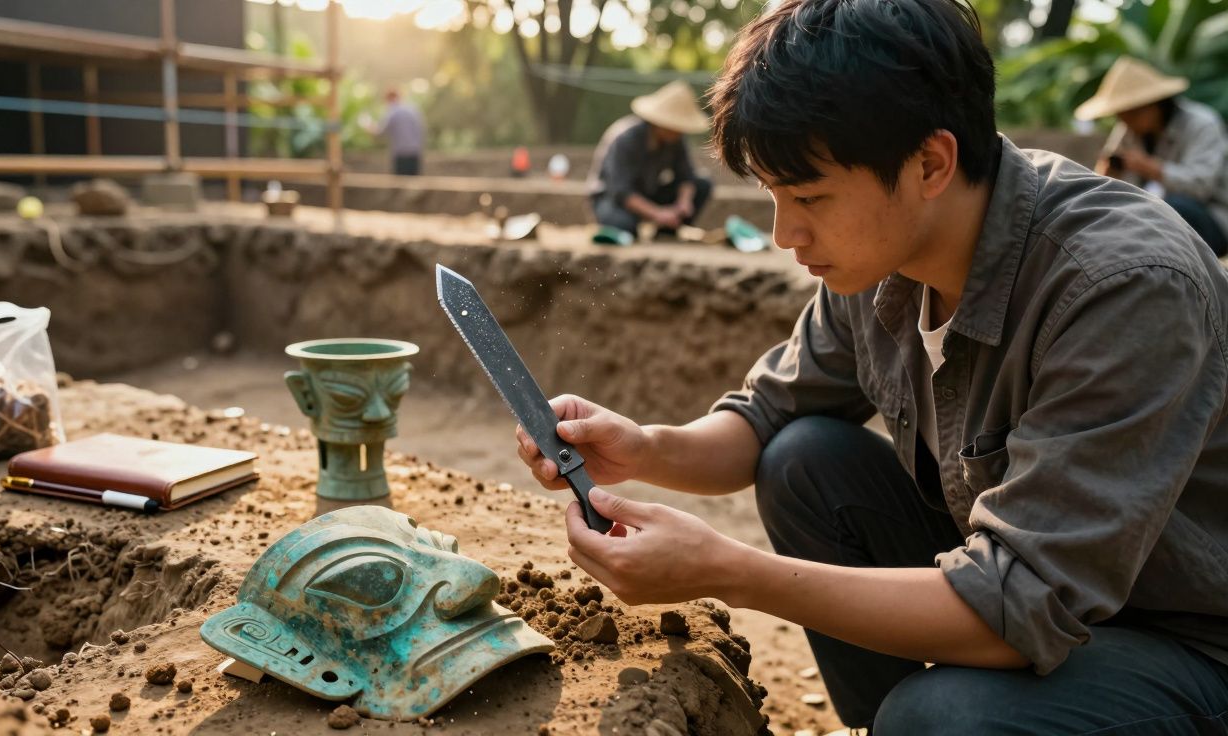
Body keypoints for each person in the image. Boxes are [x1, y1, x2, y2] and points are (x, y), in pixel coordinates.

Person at [516, 0, 1228, 732]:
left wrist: (728, 571)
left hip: (1187, 641)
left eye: (810, 197)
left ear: (929, 163)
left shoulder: (1122, 286)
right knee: (803, 459)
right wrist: (644, 449)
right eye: (773, 196)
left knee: (939, 719)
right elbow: (766, 417)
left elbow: (1024, 599)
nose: (786, 234)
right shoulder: (881, 257)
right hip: (1031, 591)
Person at [1077, 56, 1228, 256]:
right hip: (1157, 216)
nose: (1124, 120)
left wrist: (1152, 168)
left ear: (1153, 105)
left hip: (1211, 218)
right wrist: (1108, 175)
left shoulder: (1202, 125)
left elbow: (1200, 187)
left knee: (1167, 211)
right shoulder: (1128, 129)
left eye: (1131, 113)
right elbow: (1108, 183)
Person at [587, 80, 713, 238]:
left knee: (702, 184)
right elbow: (621, 191)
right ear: (662, 123)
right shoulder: (625, 139)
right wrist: (657, 213)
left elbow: (687, 175)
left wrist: (684, 201)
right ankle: (637, 224)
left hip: (648, 192)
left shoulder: (676, 141)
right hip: (612, 199)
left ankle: (666, 232)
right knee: (624, 226)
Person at [372, 89, 425, 176]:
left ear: (389, 98)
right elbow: (421, 130)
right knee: (414, 182)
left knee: (400, 183)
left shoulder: (392, 112)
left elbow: (380, 132)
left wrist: (370, 128)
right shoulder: (413, 110)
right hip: (415, 152)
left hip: (401, 154)